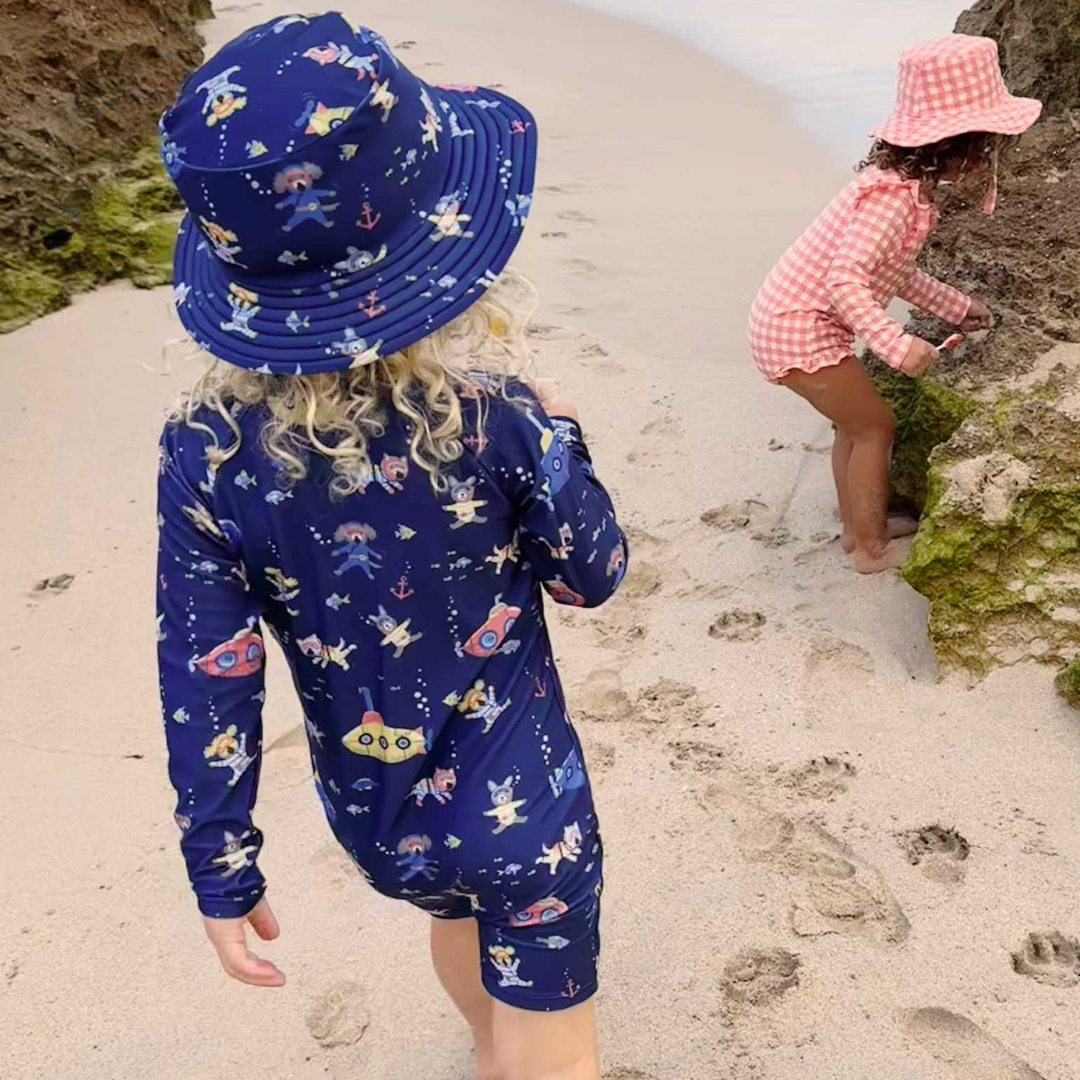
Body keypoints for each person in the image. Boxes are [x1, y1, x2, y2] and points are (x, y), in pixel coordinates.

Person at [155, 14, 627, 1080]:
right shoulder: (494, 416)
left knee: (456, 914)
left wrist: (220, 865)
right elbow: (591, 571)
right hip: (526, 810)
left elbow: (207, 669)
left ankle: (486, 1046)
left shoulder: (205, 451)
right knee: (549, 1024)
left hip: (378, 818)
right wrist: (562, 439)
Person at [748, 35, 1041, 573]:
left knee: (853, 426)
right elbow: (844, 280)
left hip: (783, 320)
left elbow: (895, 273)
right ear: (962, 144)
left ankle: (852, 528)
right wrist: (896, 345)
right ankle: (868, 546)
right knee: (875, 426)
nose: (991, 157)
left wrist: (956, 306)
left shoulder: (899, 186)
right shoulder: (891, 200)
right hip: (799, 328)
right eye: (989, 145)